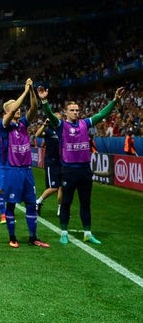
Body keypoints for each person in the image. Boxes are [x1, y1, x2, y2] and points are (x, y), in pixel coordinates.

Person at [38, 85, 125, 245]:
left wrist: (114, 100)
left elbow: (101, 114)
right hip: (69, 170)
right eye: (72, 110)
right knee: (66, 202)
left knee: (86, 203)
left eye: (77, 110)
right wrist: (44, 101)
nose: (76, 112)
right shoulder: (61, 125)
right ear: (66, 112)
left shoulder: (85, 123)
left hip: (85, 170)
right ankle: (63, 232)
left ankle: (87, 233)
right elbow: (49, 114)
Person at [0, 79, 49, 248]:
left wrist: (32, 91)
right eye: (14, 108)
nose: (18, 109)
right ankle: (12, 238)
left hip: (27, 170)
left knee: (31, 205)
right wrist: (24, 92)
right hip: (12, 170)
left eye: (19, 107)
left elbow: (33, 108)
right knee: (11, 206)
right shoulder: (4, 126)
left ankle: (33, 237)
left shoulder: (23, 125)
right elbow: (11, 111)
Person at [34, 116, 62, 217]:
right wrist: (44, 124)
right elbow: (38, 134)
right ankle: (38, 201)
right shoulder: (48, 131)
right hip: (52, 162)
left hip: (62, 162)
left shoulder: (61, 131)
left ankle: (60, 208)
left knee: (62, 187)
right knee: (53, 187)